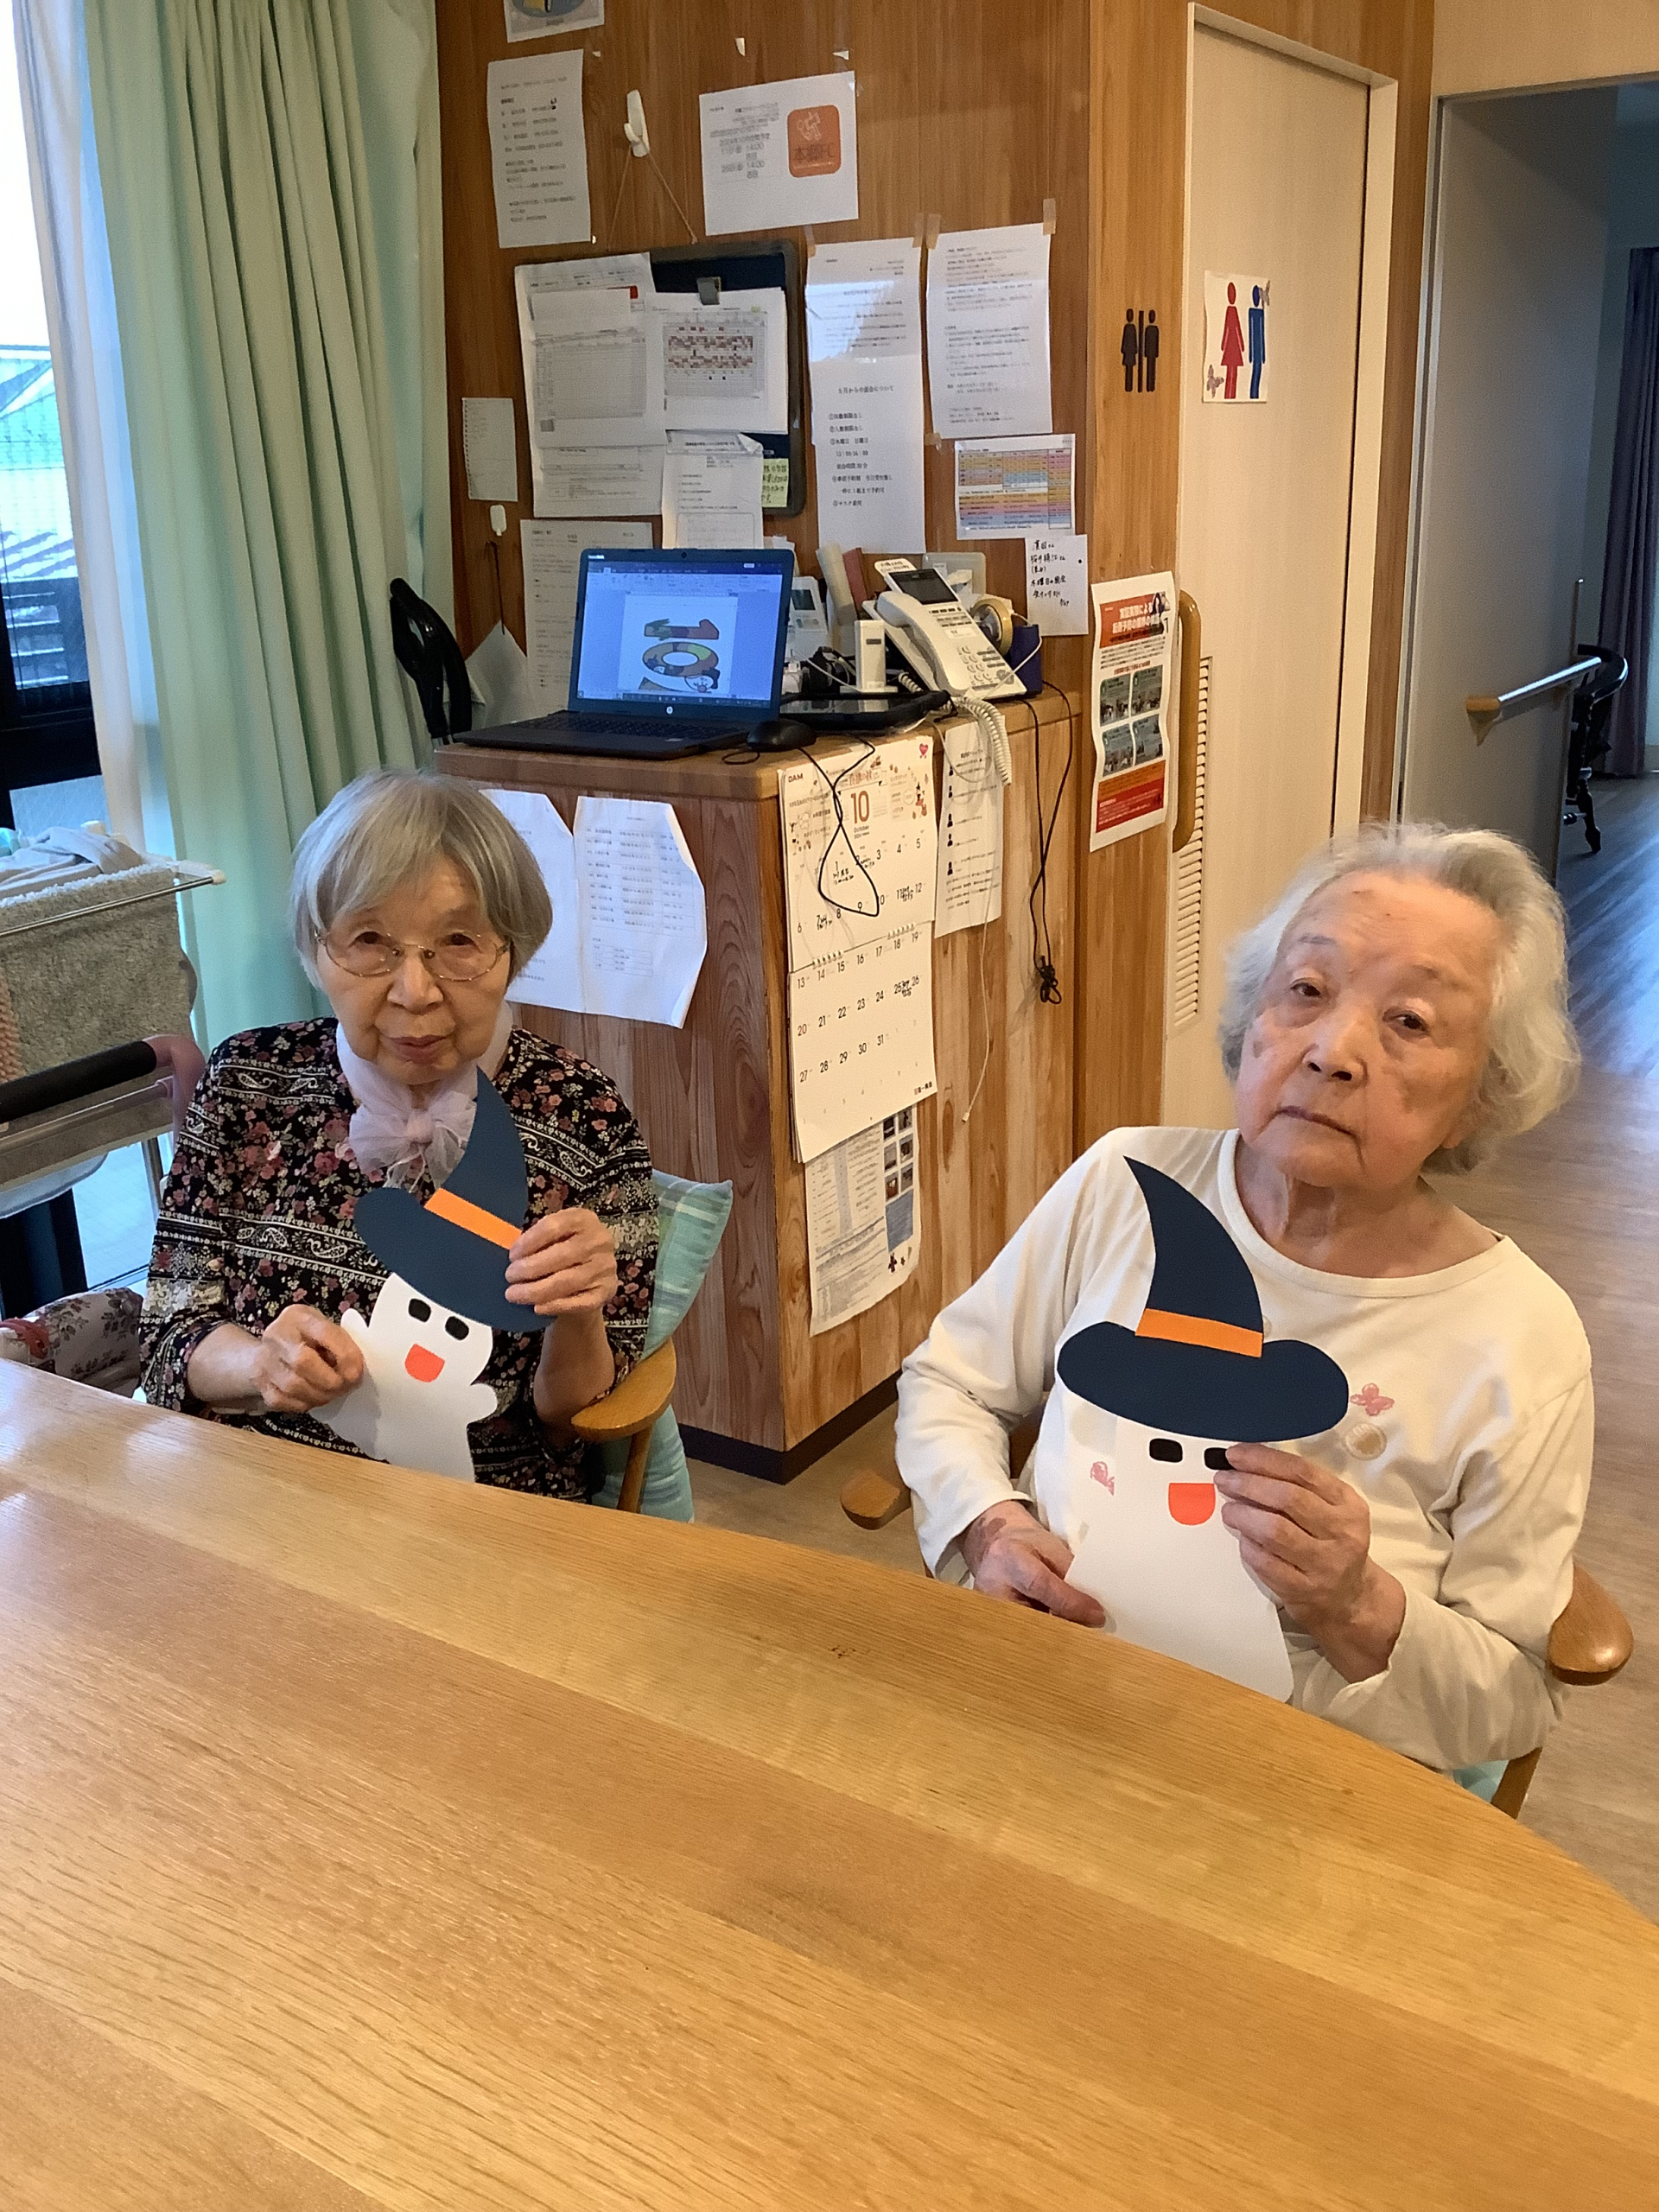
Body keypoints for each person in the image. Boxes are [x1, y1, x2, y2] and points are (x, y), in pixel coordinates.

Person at [896, 823, 1592, 1783]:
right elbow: (952, 1384)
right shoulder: (1124, 1181)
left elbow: (1508, 1698)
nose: (1334, 1050)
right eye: (1306, 989)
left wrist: (1356, 1604)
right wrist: (991, 1526)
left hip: (1302, 1781)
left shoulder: (1520, 1335)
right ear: (1253, 1016)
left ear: (1482, 1095)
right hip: (1045, 1703)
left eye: (1410, 1021)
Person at [141, 770, 657, 1496]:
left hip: (485, 1520)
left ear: (513, 951)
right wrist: (258, 1365)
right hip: (264, 1498)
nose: (415, 993)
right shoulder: (245, 1083)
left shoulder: (585, 1114)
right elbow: (171, 1330)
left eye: (459, 941)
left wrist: (579, 1315)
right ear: (316, 952)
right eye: (369, 941)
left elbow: (576, 1421)